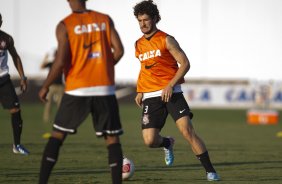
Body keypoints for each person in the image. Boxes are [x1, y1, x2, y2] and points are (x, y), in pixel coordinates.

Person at [38, 0, 124, 183]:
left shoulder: (64, 25)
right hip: (104, 88)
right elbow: (119, 51)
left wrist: (45, 85)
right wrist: (103, 69)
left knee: (57, 136)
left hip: (77, 89)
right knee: (112, 139)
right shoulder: (104, 19)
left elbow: (60, 61)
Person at [133, 0, 220, 181]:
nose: (143, 24)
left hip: (173, 93)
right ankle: (167, 143)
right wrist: (140, 90)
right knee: (149, 141)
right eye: (139, 20)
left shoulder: (166, 39)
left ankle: (210, 171)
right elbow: (144, 68)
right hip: (150, 96)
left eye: (146, 20)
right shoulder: (138, 44)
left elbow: (185, 63)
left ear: (156, 18)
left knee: (187, 131)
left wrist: (170, 85)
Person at [0, 13, 30, 155]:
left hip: (3, 79)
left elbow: (15, 57)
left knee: (16, 110)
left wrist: (23, 77)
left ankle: (17, 145)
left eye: (0, 20)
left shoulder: (6, 38)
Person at [40, 49, 64, 124]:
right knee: (48, 103)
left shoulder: (61, 63)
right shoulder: (51, 63)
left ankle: (61, 119)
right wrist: (45, 58)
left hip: (60, 86)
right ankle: (46, 118)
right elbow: (42, 67)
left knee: (60, 104)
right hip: (51, 86)